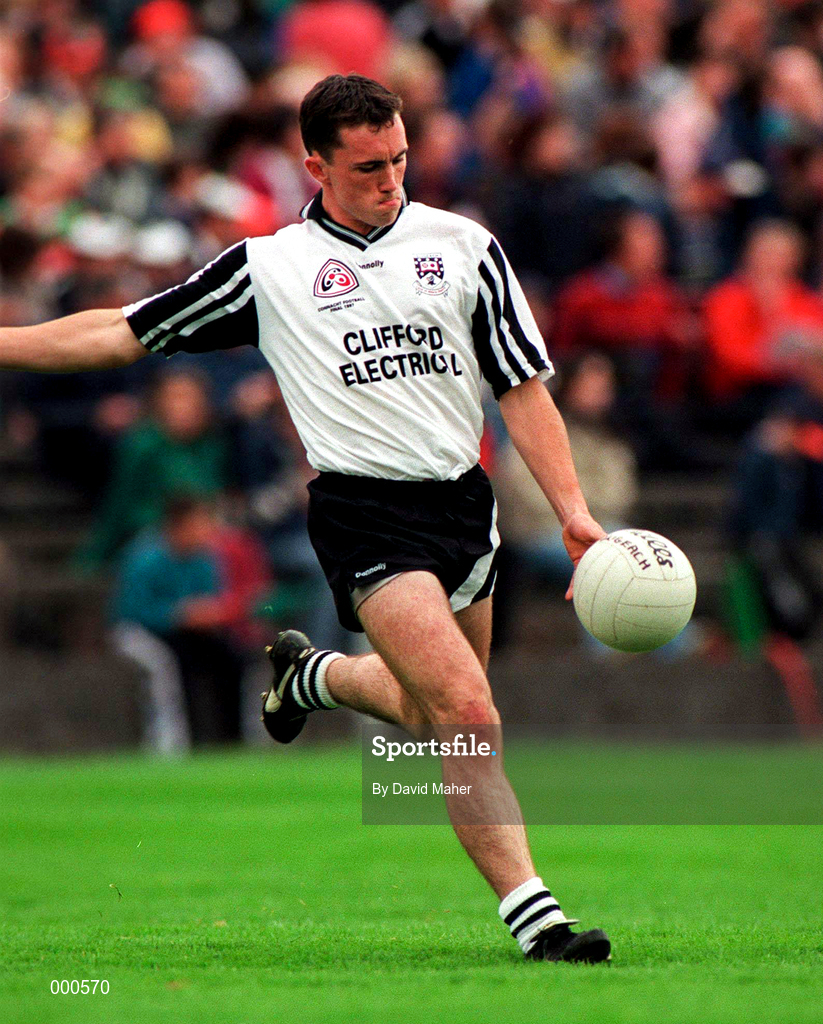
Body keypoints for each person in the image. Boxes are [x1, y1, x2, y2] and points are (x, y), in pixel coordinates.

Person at [0, 74, 610, 965]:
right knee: (468, 710)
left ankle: (314, 675)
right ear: (314, 165)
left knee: (422, 704)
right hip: (364, 516)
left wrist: (572, 513)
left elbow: (520, 387)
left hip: (462, 510)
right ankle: (539, 921)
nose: (391, 180)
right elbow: (121, 330)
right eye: (368, 167)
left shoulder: (466, 246)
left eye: (400, 159)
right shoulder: (269, 268)